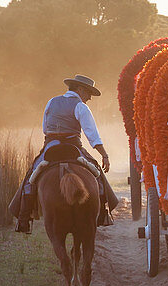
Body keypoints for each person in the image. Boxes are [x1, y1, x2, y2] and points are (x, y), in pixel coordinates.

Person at [12, 74, 120, 233]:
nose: (89, 98)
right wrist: (104, 155)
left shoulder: (51, 102)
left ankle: (24, 218)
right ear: (80, 89)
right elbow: (93, 136)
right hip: (73, 147)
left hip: (50, 147)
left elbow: (45, 128)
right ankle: (103, 212)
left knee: (31, 176)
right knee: (97, 174)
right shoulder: (81, 106)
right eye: (88, 93)